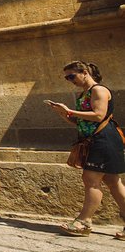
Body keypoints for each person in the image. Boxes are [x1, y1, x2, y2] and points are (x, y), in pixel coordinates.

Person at [48, 61, 125, 238]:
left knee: (90, 179)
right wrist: (63, 113)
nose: (69, 80)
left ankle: (84, 222)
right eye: (67, 77)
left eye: (71, 76)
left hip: (103, 140)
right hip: (94, 141)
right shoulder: (84, 94)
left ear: (84, 72)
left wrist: (71, 111)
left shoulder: (99, 90)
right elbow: (81, 121)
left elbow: (99, 115)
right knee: (113, 182)